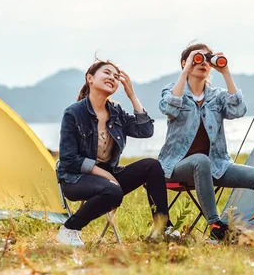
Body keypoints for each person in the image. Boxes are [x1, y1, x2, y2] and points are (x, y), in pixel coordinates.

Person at [158, 43, 254, 241]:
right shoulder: (173, 91)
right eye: (196, 58)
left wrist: (225, 72)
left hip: (216, 166)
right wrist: (184, 72)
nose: (202, 62)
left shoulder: (216, 96)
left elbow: (238, 110)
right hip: (177, 167)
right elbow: (169, 108)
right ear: (185, 63)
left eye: (206, 59)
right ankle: (215, 224)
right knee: (200, 160)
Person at [56, 59, 170, 247]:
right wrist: (106, 174)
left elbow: (146, 131)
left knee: (152, 165)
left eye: (116, 76)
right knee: (113, 190)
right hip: (76, 179)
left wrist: (132, 95)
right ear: (90, 78)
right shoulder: (74, 113)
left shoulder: (116, 112)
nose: (112, 78)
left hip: (109, 178)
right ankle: (69, 228)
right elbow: (68, 159)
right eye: (107, 73)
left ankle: (162, 228)